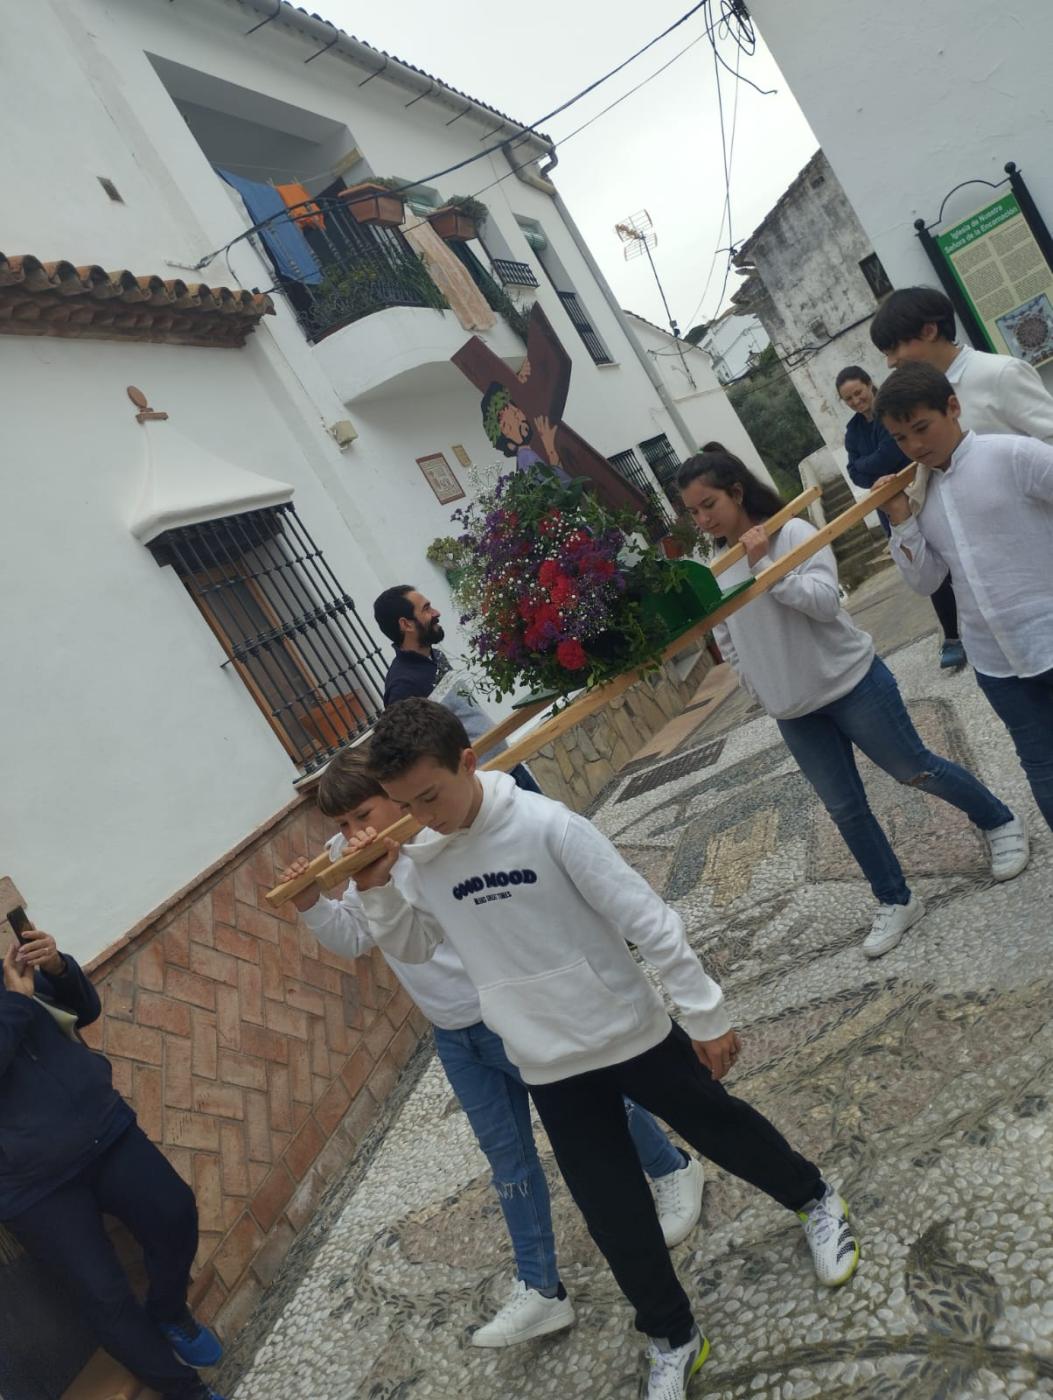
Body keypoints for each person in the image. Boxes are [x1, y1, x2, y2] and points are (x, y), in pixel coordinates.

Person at [346, 697, 862, 1400]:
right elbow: (415, 945)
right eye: (406, 805)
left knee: (722, 1129)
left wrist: (704, 1013)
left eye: (430, 795)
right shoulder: (420, 859)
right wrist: (375, 888)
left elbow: (645, 917)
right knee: (611, 1208)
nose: (423, 817)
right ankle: (673, 1334)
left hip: (627, 1031)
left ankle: (815, 1199)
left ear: (468, 761)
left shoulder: (547, 826)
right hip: (545, 1060)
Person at [278, 746, 704, 1349]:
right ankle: (542, 1289)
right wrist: (312, 902)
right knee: (508, 1159)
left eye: (365, 815)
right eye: (342, 826)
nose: (354, 834)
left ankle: (672, 1167)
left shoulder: (433, 843)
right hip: (452, 1034)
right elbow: (357, 940)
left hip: (508, 1014)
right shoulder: (350, 858)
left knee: (595, 1113)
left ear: (396, 800)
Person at [676, 449, 1028, 958]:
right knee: (845, 810)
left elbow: (823, 602)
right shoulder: (717, 570)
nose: (703, 520)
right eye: (693, 513)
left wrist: (766, 566)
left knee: (915, 769)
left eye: (709, 504)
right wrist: (762, 689)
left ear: (736, 491)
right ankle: (895, 898)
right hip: (793, 712)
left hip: (851, 683)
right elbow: (728, 641)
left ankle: (998, 820)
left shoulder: (794, 534)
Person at [0, 930, 224, 1400]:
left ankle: (168, 1311)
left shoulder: (6, 967)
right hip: (31, 1184)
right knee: (104, 1299)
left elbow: (81, 1012)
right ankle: (188, 1394)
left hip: (102, 1129)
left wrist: (59, 968)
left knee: (175, 1211)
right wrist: (17, 1005)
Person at [874, 361, 1053, 833]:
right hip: (996, 661)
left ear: (953, 407)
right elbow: (927, 581)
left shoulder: (1012, 454)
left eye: (921, 428)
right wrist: (901, 519)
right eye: (900, 438)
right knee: (1044, 772)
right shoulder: (921, 493)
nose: (914, 446)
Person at [870, 285, 1053, 514]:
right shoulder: (919, 396)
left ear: (929, 331)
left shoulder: (1000, 373)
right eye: (886, 354)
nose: (891, 362)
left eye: (894, 348)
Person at [835, 365, 964, 670]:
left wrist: (872, 465)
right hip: (890, 505)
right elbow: (855, 473)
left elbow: (894, 453)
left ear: (870, 384)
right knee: (922, 566)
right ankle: (953, 636)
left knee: (951, 555)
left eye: (858, 392)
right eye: (848, 399)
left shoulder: (891, 411)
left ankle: (973, 623)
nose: (856, 401)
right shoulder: (853, 431)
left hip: (921, 489)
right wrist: (876, 469)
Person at [373, 583, 541, 793]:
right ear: (406, 624)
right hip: (485, 788)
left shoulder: (435, 657)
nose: (436, 613)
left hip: (509, 768)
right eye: (426, 609)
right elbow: (417, 754)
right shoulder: (403, 687)